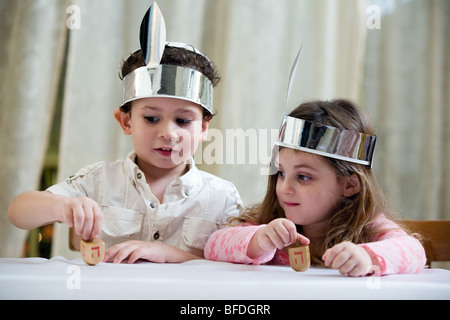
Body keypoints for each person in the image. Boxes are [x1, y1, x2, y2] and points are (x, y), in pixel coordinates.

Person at [8, 3, 243, 264]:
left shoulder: (222, 198)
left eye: (183, 120)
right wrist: (61, 207)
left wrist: (172, 255)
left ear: (203, 128)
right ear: (126, 121)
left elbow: (235, 266)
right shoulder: (98, 181)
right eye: (151, 118)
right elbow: (18, 212)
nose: (168, 132)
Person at [205, 99, 426, 276]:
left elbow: (414, 251)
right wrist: (259, 240)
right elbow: (214, 245)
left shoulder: (368, 229)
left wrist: (367, 257)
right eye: (281, 173)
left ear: (349, 185)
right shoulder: (271, 226)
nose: (285, 188)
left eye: (303, 177)